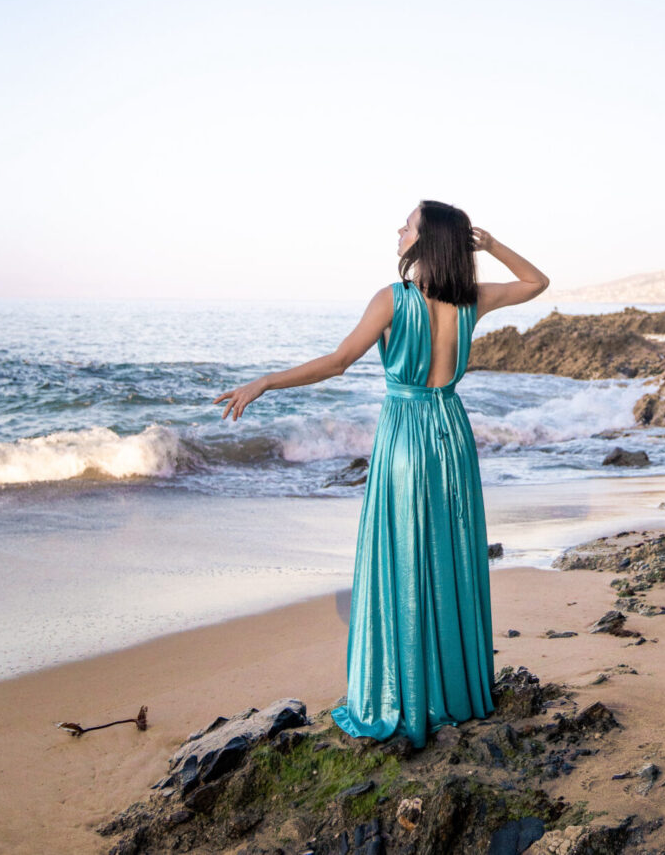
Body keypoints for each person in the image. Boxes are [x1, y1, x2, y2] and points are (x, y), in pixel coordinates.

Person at [213, 199, 549, 749]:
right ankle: (454, 693)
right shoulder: (472, 301)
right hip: (452, 434)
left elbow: (338, 362)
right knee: (447, 555)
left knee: (401, 558)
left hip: (405, 438)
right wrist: (489, 246)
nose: (398, 230)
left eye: (408, 224)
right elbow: (537, 281)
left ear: (426, 240)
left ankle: (403, 693)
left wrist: (266, 382)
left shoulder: (393, 300)